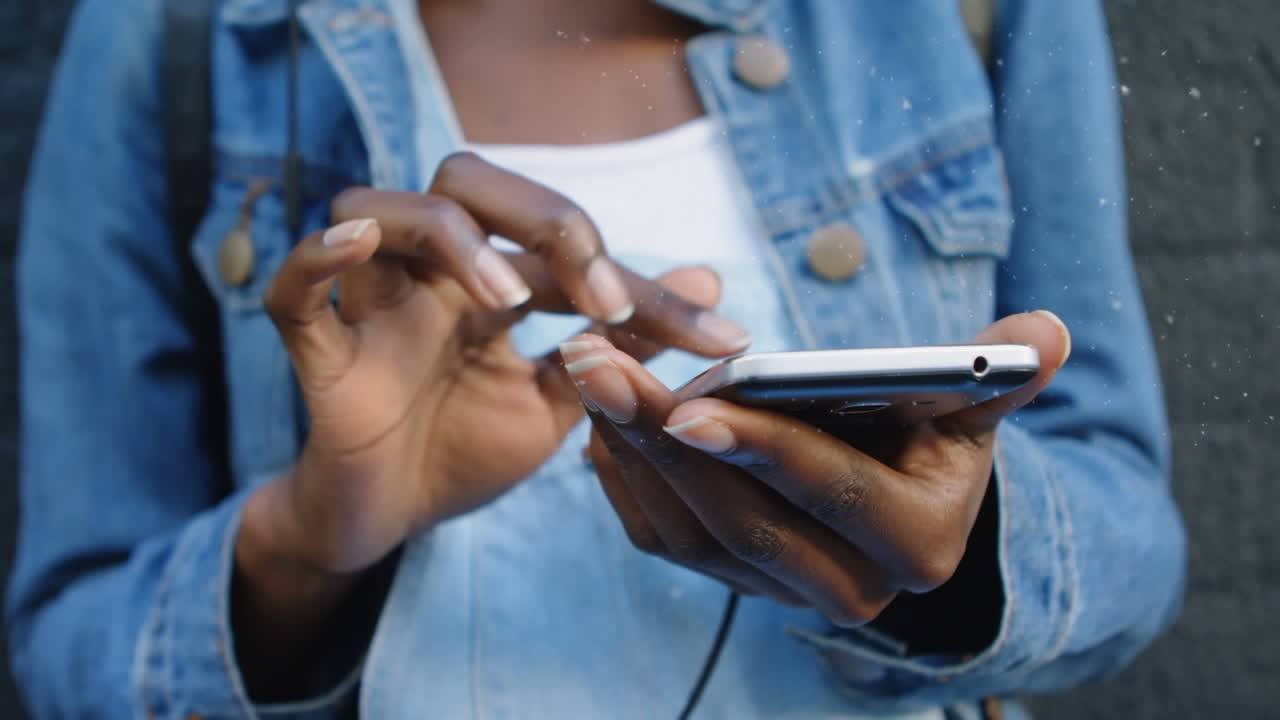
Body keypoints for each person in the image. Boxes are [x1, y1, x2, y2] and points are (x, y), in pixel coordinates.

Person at [7, 0, 1186, 717]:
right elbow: (69, 650)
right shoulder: (179, 32)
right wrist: (308, 540)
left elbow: (1129, 536)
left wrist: (960, 551)